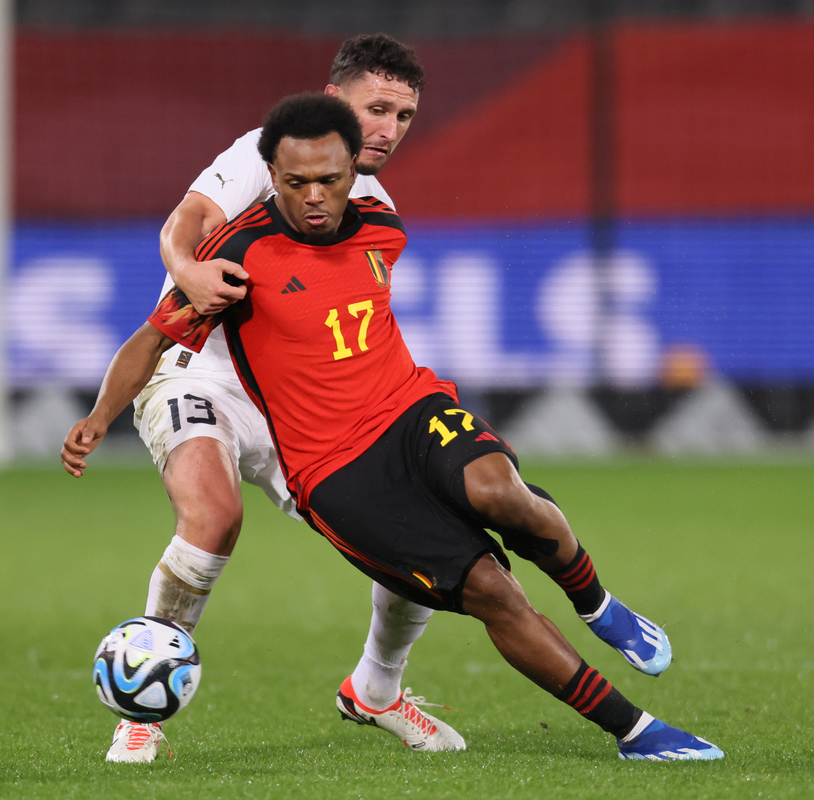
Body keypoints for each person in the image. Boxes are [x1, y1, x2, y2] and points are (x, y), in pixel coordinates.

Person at [65, 93, 723, 762]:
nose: (315, 197)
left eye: (330, 180)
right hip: (336, 469)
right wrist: (98, 418)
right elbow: (149, 341)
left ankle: (599, 606)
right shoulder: (235, 257)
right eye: (295, 184)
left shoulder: (383, 224)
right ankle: (635, 731)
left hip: (410, 408)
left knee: (503, 494)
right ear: (272, 176)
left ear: (355, 170)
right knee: (494, 590)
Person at [77, 34, 468, 763]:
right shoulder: (266, 151)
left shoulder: (373, 201)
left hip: (295, 400)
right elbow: (186, 222)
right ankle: (141, 706)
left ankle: (377, 688)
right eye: (374, 108)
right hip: (198, 370)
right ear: (334, 99)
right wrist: (185, 271)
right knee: (213, 516)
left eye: (403, 116)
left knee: (418, 537)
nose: (387, 129)